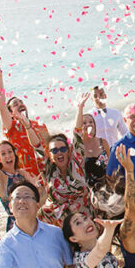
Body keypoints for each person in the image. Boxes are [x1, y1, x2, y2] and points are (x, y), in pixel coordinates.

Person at [37, 92, 92, 226]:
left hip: (85, 219)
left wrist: (80, 108)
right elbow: (37, 147)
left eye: (62, 149)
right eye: (54, 150)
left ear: (69, 151)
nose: (59, 152)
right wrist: (27, 126)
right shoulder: (48, 171)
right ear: (50, 155)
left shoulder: (76, 162)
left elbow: (77, 133)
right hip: (59, 223)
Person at [0, 59, 48, 175]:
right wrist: (0, 78)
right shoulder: (11, 127)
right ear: (11, 113)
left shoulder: (39, 125)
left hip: (46, 173)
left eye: (21, 102)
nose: (20, 104)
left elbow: (48, 147)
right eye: (15, 104)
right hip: (26, 177)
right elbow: (2, 107)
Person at [80, 113, 110, 184]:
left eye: (91, 122)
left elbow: (111, 163)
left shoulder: (103, 142)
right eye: (84, 123)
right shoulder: (79, 147)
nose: (88, 124)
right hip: (89, 186)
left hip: (107, 183)